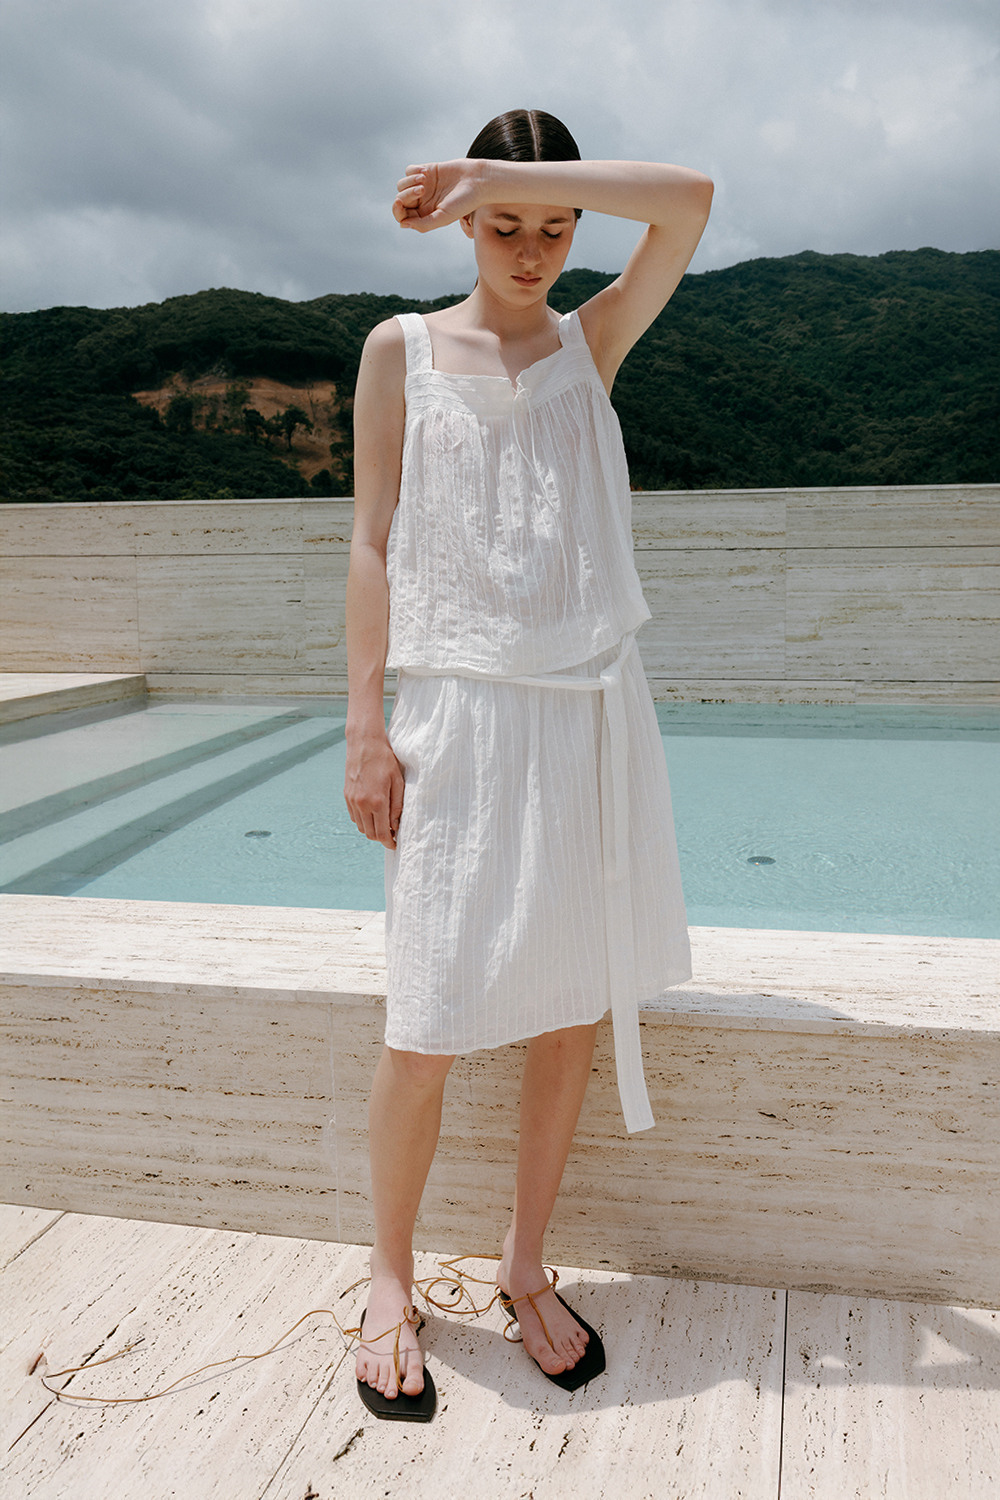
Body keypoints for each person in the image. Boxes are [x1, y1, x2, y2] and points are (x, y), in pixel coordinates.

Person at [344, 109, 712, 1420]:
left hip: (582, 722)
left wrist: (503, 172)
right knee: (426, 1020)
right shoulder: (399, 351)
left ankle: (522, 1263)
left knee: (567, 1010)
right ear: (462, 225)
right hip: (454, 718)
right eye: (504, 224)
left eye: (554, 227)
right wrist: (365, 725)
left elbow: (690, 197)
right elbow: (373, 540)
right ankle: (390, 1278)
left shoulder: (587, 343)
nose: (530, 250)